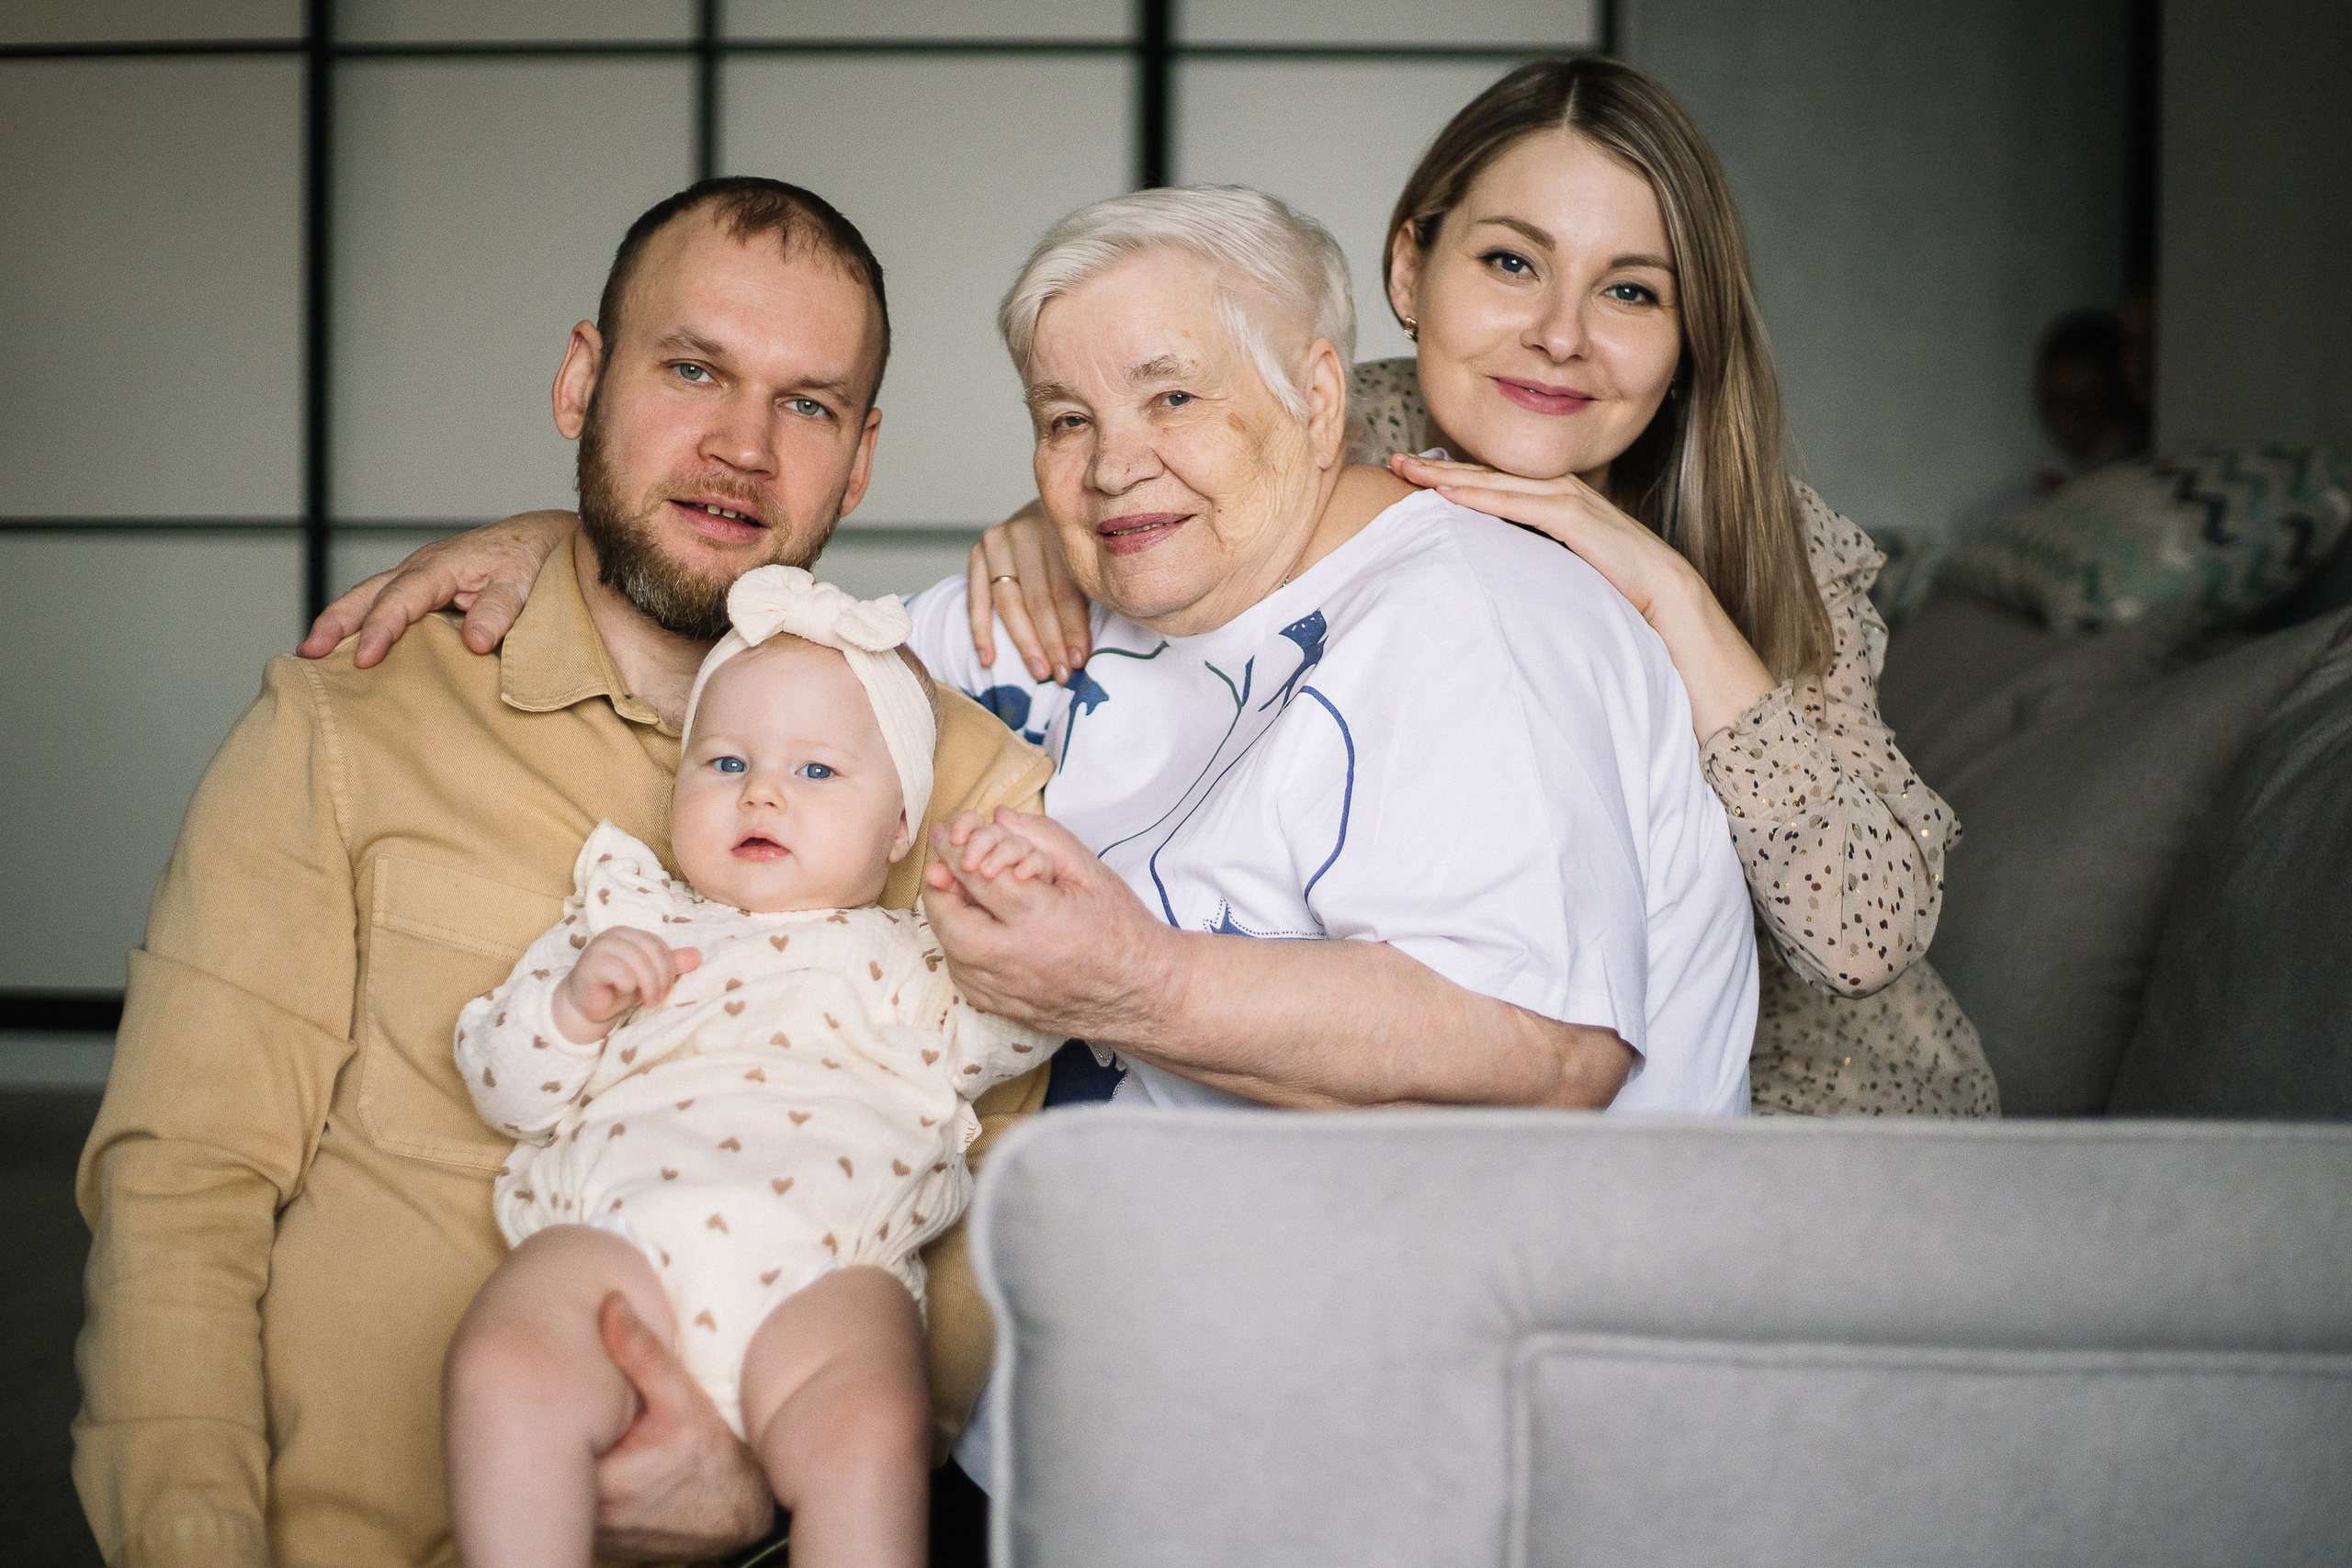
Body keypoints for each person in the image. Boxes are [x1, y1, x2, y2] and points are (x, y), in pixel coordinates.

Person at [74, 177, 1052, 1568]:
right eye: (692, 368)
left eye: (808, 403)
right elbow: (183, 1184)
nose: (742, 448)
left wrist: (757, 1492)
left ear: (860, 459)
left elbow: (986, 1253)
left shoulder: (958, 788)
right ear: (582, 379)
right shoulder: (355, 724)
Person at [964, 60, 1997, 1119]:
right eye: (1511, 262)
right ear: (1410, 270)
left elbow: (1865, 933)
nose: (1560, 334)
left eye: (1630, 291)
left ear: (1688, 335)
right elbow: (1142, 447)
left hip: (1817, 1107)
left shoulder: (1774, 537)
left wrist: (1668, 593)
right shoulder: (1333, 429)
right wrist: (1049, 527)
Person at [446, 567, 1055, 1568]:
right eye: (725, 761)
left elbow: (1024, 1025)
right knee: (505, 1362)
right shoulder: (629, 917)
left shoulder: (914, 958)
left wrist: (1013, 917)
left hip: (825, 1268)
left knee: (873, 1429)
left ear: (900, 828)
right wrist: (573, 1007)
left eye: (817, 771)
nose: (762, 790)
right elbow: (505, 1089)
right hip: (618, 1236)